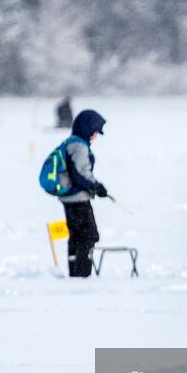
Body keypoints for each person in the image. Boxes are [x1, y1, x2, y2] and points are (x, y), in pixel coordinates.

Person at [56, 109, 109, 277]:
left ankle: (74, 272)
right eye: (95, 132)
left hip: (69, 198)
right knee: (89, 235)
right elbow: (81, 174)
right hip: (78, 199)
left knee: (76, 236)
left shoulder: (71, 143)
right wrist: (96, 186)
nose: (95, 136)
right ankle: (82, 274)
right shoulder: (79, 146)